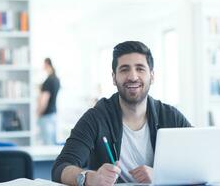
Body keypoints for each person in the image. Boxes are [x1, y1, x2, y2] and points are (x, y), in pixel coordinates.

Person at [51, 41, 192, 186]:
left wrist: (160, 176)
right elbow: (60, 168)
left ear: (152, 76)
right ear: (114, 78)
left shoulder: (170, 116)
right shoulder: (96, 117)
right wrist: (88, 178)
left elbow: (200, 164)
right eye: (124, 69)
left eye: (140, 68)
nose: (132, 76)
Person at [37, 58, 60, 145]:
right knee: (53, 143)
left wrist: (39, 112)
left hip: (46, 116)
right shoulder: (56, 79)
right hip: (53, 114)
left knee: (47, 144)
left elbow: (44, 99)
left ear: (47, 64)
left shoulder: (48, 81)